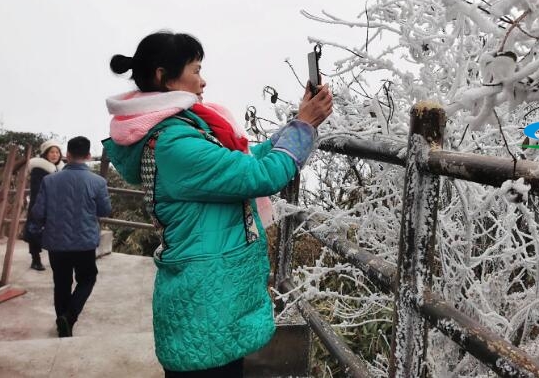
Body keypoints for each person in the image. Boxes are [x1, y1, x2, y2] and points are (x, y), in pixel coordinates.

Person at [103, 31, 332, 377]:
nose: (203, 80)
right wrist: (303, 127)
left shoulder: (177, 130)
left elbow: (242, 162)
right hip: (205, 303)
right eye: (195, 70)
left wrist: (298, 123)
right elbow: (261, 176)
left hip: (209, 298)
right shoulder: (174, 143)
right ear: (164, 77)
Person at [31, 136, 112, 338]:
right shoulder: (98, 182)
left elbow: (38, 212)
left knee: (61, 282)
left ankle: (63, 324)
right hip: (84, 243)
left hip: (56, 243)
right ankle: (70, 316)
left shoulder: (49, 181)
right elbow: (105, 210)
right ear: (88, 155)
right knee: (87, 278)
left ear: (66, 155)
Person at [24, 139, 64, 271]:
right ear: (46, 153)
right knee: (35, 231)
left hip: (56, 206)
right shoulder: (39, 169)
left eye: (57, 152)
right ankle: (35, 260)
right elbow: (37, 189)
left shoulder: (61, 169)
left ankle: (57, 260)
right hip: (39, 204)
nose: (55, 155)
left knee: (55, 233)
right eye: (52, 152)